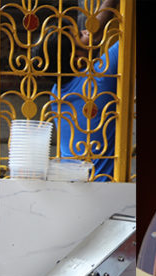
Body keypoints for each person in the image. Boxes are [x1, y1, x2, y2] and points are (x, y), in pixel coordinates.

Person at [43, 32, 119, 181]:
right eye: (79, 34)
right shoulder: (101, 76)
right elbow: (129, 31)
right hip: (105, 187)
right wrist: (94, 34)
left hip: (70, 183)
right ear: (76, 57)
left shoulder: (55, 93)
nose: (86, 31)